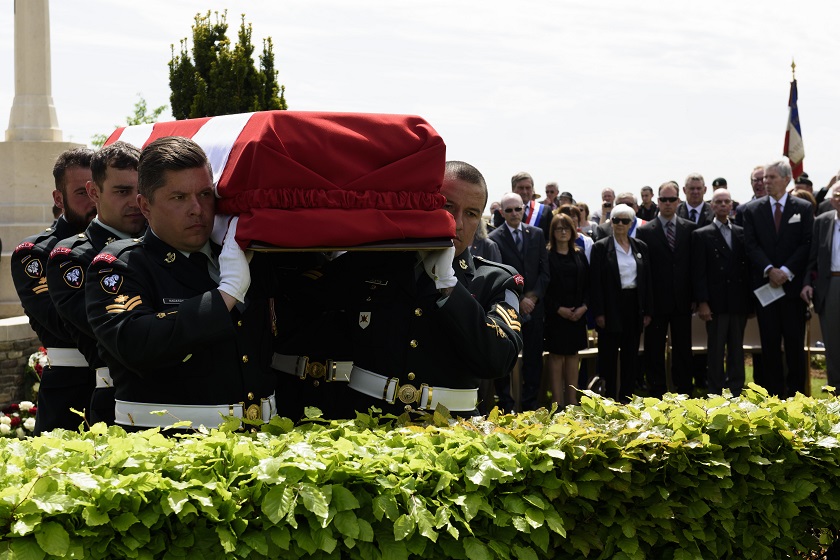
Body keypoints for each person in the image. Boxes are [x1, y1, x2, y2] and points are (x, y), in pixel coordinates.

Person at [86, 136, 277, 430]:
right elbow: (137, 345)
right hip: (167, 445)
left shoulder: (244, 257)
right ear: (145, 205)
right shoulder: (120, 265)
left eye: (204, 194)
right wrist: (225, 294)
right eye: (179, 197)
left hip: (260, 440)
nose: (197, 209)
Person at [339, 161, 524, 417]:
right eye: (447, 206)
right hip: (366, 421)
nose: (457, 223)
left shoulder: (496, 280)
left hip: (451, 430)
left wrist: (449, 284)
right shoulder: (373, 262)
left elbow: (498, 360)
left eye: (471, 213)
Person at [47, 142, 146, 425]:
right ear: (94, 192)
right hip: (119, 403)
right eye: (122, 191)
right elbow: (124, 336)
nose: (135, 201)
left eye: (140, 191)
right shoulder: (73, 258)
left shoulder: (160, 245)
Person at [11, 148, 96, 434]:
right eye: (81, 193)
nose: (93, 200)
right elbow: (62, 322)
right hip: (69, 390)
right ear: (59, 199)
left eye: (97, 189)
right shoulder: (35, 254)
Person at [743, 159, 814, 397]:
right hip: (767, 288)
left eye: (771, 177)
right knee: (770, 345)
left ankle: (797, 396)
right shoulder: (752, 210)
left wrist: (786, 270)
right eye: (764, 178)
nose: (766, 182)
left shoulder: (802, 208)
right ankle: (774, 397)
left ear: (786, 179)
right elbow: (750, 245)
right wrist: (769, 270)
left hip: (792, 290)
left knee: (794, 345)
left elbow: (806, 244)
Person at [489, 192, 550, 411]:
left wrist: (532, 297)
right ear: (501, 212)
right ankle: (506, 405)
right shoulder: (494, 238)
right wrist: (521, 298)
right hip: (508, 308)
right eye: (509, 210)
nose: (514, 213)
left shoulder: (537, 234)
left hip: (535, 307)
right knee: (506, 356)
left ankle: (530, 405)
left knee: (534, 358)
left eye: (518, 209)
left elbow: (545, 271)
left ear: (524, 209)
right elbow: (498, 273)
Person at [637, 181, 697, 396]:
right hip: (656, 302)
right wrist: (646, 304)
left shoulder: (690, 229)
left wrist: (696, 297)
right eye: (663, 199)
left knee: (683, 348)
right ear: (657, 201)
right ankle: (657, 391)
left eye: (672, 199)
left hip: (683, 300)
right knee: (654, 349)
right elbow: (643, 272)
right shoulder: (645, 231)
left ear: (678, 201)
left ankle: (684, 391)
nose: (668, 203)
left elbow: (694, 267)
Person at [589, 204, 653, 400]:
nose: (620, 224)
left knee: (630, 354)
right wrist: (599, 312)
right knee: (608, 355)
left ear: (631, 223)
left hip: (633, 305)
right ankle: (608, 397)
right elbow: (595, 283)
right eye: (616, 220)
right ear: (611, 222)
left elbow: (647, 281)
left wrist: (647, 311)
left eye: (625, 221)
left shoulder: (640, 246)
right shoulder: (600, 247)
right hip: (610, 306)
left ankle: (627, 396)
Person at [692, 188, 752, 396]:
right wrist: (702, 302)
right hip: (715, 303)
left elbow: (747, 270)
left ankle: (736, 389)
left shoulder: (741, 233)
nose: (723, 205)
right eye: (719, 202)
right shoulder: (702, 235)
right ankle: (715, 391)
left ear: (732, 205)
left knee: (737, 348)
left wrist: (750, 303)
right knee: (716, 350)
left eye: (727, 201)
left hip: (737, 301)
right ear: (711, 206)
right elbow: (698, 272)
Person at [543, 213, 589, 407]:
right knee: (556, 356)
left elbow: (589, 284)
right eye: (558, 228)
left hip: (577, 315)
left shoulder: (579, 255)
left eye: (566, 228)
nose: (563, 232)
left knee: (572, 355)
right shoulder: (546, 255)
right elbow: (544, 287)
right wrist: (557, 309)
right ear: (552, 232)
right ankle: (557, 403)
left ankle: (571, 403)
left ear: (573, 231)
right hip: (556, 316)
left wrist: (584, 308)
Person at [801, 182, 840, 390]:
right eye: (837, 194)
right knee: (833, 344)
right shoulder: (823, 221)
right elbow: (812, 258)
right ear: (831, 199)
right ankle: (836, 391)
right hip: (830, 285)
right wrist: (807, 283)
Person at [511, 172, 552, 242]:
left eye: (528, 188)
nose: (524, 192)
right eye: (521, 188)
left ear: (532, 189)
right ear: (513, 189)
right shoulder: (505, 211)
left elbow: (549, 238)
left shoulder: (545, 211)